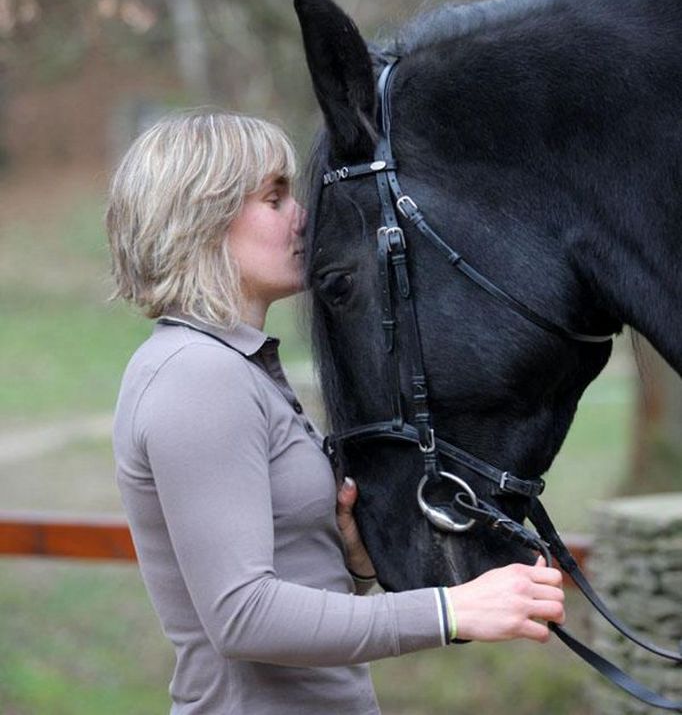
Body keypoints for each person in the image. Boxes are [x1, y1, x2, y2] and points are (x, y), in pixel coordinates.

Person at [106, 109, 566, 715]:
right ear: (201, 218)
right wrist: (452, 611)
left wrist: (345, 560)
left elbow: (274, 589)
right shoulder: (197, 374)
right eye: (275, 198)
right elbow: (243, 618)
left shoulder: (232, 365)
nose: (303, 216)